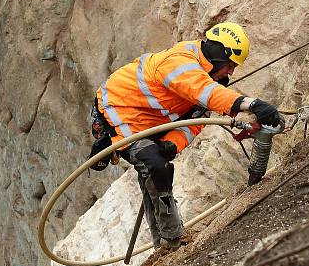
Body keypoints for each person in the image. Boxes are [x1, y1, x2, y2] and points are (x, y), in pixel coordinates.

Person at [87, 22, 284, 250]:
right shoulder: (180, 61)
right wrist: (250, 104)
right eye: (230, 64)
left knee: (157, 166)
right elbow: (204, 92)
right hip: (117, 110)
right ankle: (172, 241)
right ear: (219, 54)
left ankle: (161, 243)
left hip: (152, 121)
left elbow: (195, 122)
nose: (231, 71)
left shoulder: (209, 78)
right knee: (155, 166)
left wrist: (173, 143)